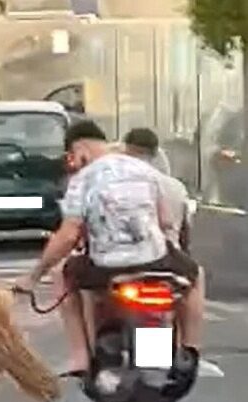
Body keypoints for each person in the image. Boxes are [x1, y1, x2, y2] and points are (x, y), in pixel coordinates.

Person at [15, 120, 204, 376]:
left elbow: (68, 235)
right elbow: (165, 221)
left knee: (61, 274)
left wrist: (32, 277)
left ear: (80, 150)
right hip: (155, 261)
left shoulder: (82, 180)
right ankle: (190, 350)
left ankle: (80, 356)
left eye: (72, 157)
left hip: (107, 268)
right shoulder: (145, 171)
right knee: (195, 275)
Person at [122, 128, 191, 252]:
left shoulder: (118, 186)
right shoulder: (177, 187)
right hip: (171, 259)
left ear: (126, 151)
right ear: (155, 153)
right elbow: (185, 234)